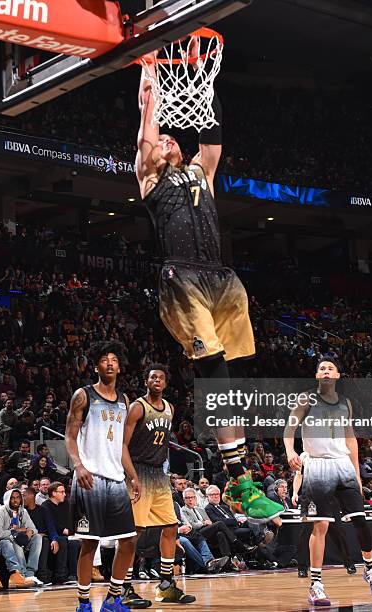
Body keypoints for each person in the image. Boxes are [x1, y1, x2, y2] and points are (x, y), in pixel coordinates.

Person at [135, 49, 282, 524]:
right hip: (182, 277)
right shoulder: (150, 180)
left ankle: (241, 478)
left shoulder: (201, 171)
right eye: (162, 141)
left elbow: (213, 139)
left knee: (232, 378)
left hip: (223, 278)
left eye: (173, 139)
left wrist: (205, 81)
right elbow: (146, 130)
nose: (167, 141)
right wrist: (151, 76)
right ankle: (240, 480)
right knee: (215, 370)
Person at [284, 358, 372, 606]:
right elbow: (290, 429)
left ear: (338, 375)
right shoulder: (306, 399)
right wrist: (290, 451)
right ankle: (316, 584)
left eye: (330, 368)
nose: (326, 371)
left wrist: (357, 473)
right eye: (321, 368)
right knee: (320, 526)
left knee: (360, 521)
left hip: (343, 464)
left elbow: (350, 439)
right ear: (317, 375)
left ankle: (370, 569)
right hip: (317, 465)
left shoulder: (345, 403)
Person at [65, 340, 140, 612]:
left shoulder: (124, 401)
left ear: (119, 367)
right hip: (90, 478)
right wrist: (78, 466)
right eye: (104, 359)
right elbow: (70, 436)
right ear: (96, 365)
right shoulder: (83, 395)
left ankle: (113, 598)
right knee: (89, 543)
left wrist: (132, 476)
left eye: (114, 360)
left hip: (116, 479)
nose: (110, 363)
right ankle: (83, 603)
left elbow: (121, 445)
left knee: (129, 540)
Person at [122, 364, 195, 607]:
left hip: (158, 474)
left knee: (171, 526)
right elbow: (122, 446)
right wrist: (130, 475)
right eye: (152, 377)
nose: (156, 380)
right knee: (135, 532)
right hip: (138, 472)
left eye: (161, 377)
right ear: (146, 381)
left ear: (165, 383)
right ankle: (124, 588)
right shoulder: (137, 408)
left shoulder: (170, 409)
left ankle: (165, 585)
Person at [0, 488, 43, 585]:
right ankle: (23, 575)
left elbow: (34, 529)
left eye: (17, 498)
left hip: (22, 539)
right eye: (12, 498)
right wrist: (15, 531)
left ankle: (30, 574)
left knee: (37, 537)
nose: (15, 500)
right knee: (15, 540)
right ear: (8, 499)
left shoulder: (23, 511)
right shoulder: (0, 511)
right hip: (6, 541)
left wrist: (30, 532)